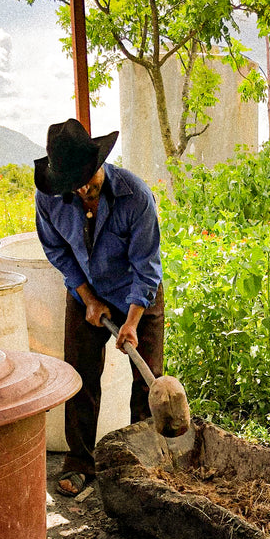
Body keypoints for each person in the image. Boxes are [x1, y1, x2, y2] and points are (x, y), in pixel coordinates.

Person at [34, 118, 164, 497]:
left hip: (138, 292)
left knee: (147, 380)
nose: (82, 188)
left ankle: (143, 466)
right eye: (72, 182)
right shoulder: (50, 199)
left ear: (99, 162)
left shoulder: (135, 196)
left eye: (87, 178)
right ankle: (80, 464)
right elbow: (57, 250)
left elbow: (147, 265)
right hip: (86, 293)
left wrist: (133, 320)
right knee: (80, 378)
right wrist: (88, 299)